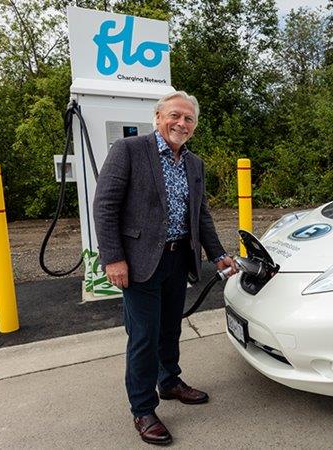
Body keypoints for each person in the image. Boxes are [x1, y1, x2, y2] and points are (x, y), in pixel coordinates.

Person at [93, 91, 237, 445]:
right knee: (143, 337)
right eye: (175, 115)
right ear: (158, 117)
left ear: (194, 127)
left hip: (177, 259)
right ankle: (142, 409)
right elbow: (105, 206)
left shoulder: (194, 163)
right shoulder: (130, 151)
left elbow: (200, 215)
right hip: (139, 262)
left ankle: (169, 380)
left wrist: (216, 254)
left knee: (170, 328)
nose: (181, 124)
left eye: (188, 119)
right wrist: (113, 258)